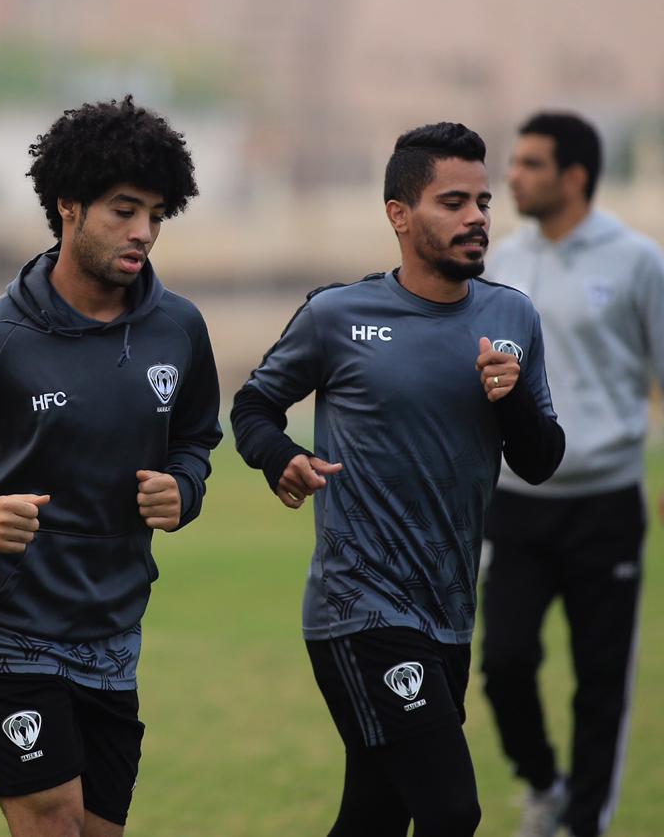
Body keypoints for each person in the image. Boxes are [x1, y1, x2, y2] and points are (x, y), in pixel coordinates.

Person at [0, 96, 222, 837]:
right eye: (124, 210)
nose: (144, 232)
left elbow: (198, 437)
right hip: (3, 633)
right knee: (52, 823)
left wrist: (186, 487)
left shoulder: (180, 329)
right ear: (67, 206)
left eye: (157, 214)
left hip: (112, 632)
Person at [231, 122, 566, 837]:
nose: (477, 216)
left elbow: (540, 459)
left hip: (447, 612)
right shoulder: (338, 316)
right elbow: (253, 406)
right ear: (399, 215)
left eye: (482, 200)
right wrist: (278, 457)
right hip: (361, 609)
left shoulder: (512, 317)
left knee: (375, 817)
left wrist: (511, 405)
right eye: (454, 201)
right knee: (450, 811)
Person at [479, 112, 664, 837]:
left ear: (574, 176)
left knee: (600, 681)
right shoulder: (502, 264)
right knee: (504, 663)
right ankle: (543, 784)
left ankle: (585, 821)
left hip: (606, 502)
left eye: (529, 164)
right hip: (516, 503)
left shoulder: (638, 262)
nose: (513, 177)